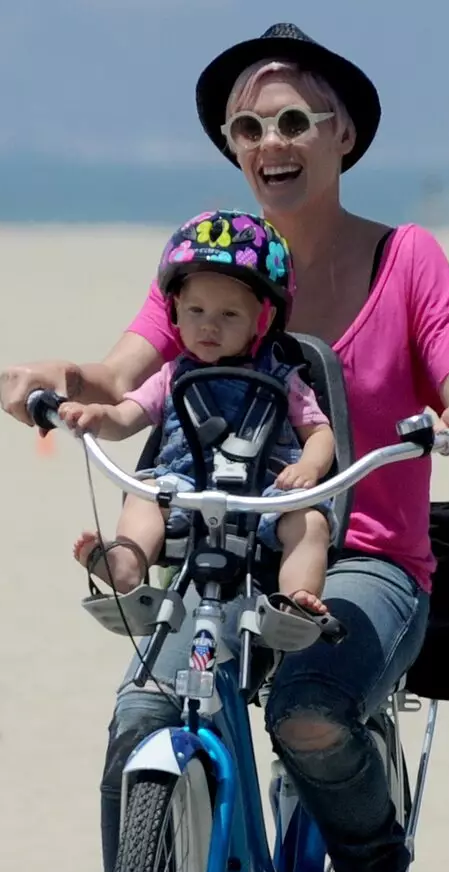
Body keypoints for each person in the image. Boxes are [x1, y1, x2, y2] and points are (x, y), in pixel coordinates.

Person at [0, 23, 449, 872]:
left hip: (367, 556)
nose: (270, 144)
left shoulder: (407, 257)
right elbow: (122, 376)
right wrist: (56, 375)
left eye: (295, 121)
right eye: (247, 129)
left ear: (343, 133)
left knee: (307, 711)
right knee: (140, 716)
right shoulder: (217, 268)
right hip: (220, 549)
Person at [59, 209, 336, 614]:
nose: (209, 326)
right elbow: (127, 417)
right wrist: (96, 417)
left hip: (265, 495)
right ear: (174, 310)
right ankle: (128, 563)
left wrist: (310, 468)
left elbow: (320, 433)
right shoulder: (172, 375)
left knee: (310, 522)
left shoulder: (283, 377)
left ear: (264, 317)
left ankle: (295, 601)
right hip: (186, 488)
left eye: (229, 314)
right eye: (196, 311)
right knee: (144, 494)